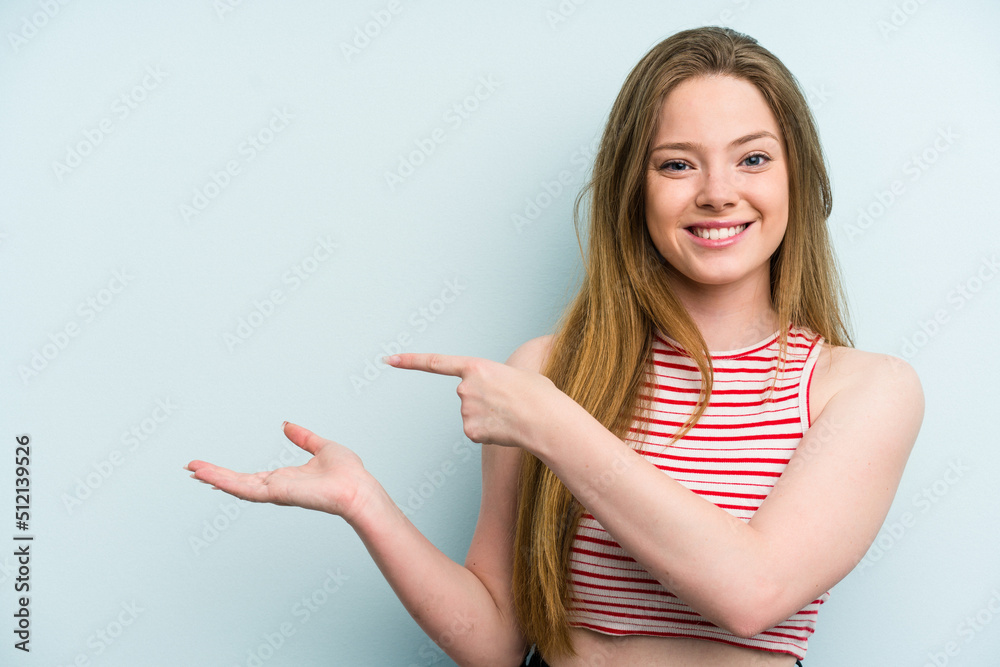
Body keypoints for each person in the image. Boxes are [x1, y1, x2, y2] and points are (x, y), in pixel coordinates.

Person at [186, 26, 924, 666]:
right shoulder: (545, 374)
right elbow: (497, 641)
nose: (718, 191)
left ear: (799, 176)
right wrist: (363, 502)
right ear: (632, 188)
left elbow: (751, 591)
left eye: (753, 159)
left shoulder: (863, 390)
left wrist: (549, 422)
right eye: (677, 163)